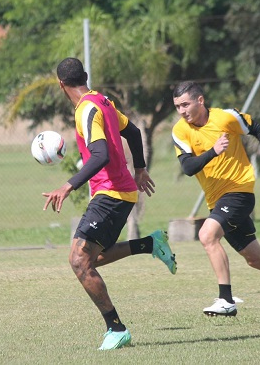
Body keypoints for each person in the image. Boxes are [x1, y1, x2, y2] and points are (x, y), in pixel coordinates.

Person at [42, 57, 177, 350]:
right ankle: (150, 244)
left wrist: (68, 185)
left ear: (60, 84)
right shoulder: (102, 101)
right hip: (116, 192)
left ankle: (116, 329)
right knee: (93, 259)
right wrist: (139, 168)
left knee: (79, 261)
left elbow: (100, 154)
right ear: (85, 77)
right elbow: (134, 132)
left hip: (111, 194)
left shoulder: (86, 110)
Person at [171, 81, 260, 319]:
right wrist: (213, 151)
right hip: (216, 199)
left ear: (200, 100)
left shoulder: (225, 118)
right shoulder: (180, 130)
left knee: (207, 235)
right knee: (255, 259)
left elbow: (256, 128)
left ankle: (226, 300)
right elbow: (188, 167)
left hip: (240, 191)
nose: (182, 111)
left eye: (186, 104)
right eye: (177, 106)